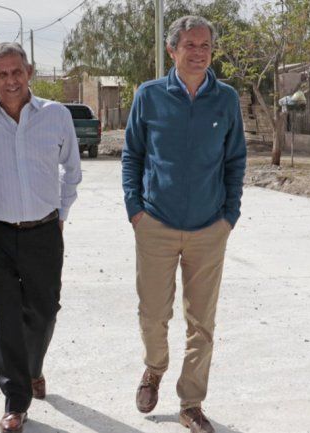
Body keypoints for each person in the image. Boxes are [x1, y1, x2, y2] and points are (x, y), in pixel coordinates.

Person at [121, 16, 246, 433]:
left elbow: (235, 160)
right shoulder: (150, 95)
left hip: (209, 228)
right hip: (154, 223)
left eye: (205, 44)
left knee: (202, 322)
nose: (198, 52)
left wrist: (229, 215)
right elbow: (132, 155)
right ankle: (154, 369)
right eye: (189, 45)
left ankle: (191, 403)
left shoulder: (225, 99)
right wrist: (135, 210)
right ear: (172, 50)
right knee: (153, 314)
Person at [0, 42, 82, 433]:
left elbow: (71, 170)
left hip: (44, 231)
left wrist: (60, 213)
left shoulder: (56, 115)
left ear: (29, 72)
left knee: (44, 312)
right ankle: (16, 399)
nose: (11, 81)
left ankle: (33, 368)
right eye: (1, 74)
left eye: (17, 72)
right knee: (5, 317)